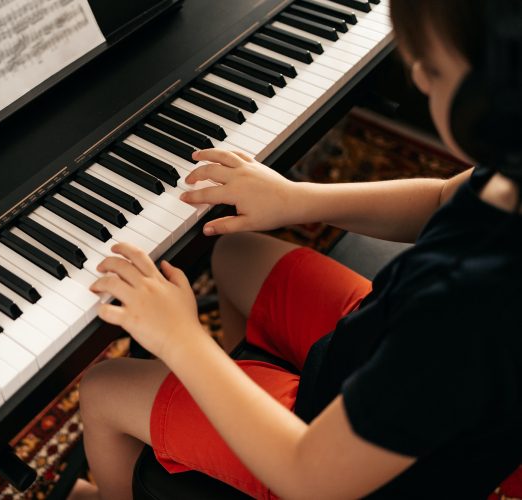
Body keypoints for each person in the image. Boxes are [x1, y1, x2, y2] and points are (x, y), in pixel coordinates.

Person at [69, 1, 522, 498]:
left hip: (328, 461)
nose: (416, 77)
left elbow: (311, 477)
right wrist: (295, 198)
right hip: (372, 344)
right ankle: (230, 410)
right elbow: (441, 199)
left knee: (103, 389)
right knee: (235, 254)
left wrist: (183, 341)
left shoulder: (468, 312)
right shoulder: (512, 166)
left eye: (433, 67)